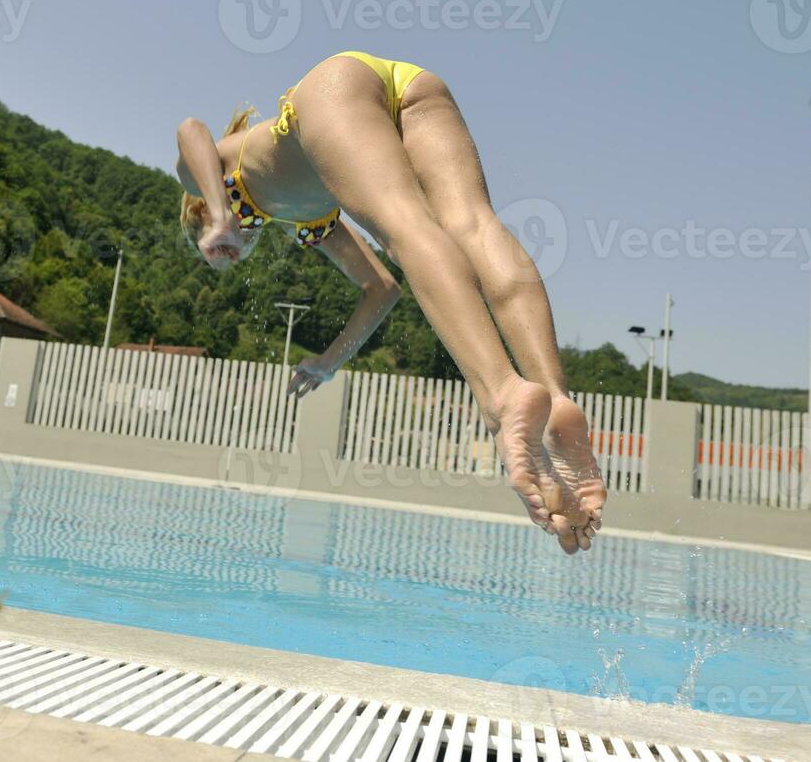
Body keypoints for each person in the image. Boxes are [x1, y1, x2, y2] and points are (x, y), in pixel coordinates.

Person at [176, 51, 605, 553]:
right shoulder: (310, 225)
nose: (235, 247)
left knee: (406, 225)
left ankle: (503, 398)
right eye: (232, 253)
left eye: (219, 244)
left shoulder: (210, 178)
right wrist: (327, 362)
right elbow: (381, 288)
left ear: (199, 210)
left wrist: (222, 212)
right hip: (410, 87)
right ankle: (553, 400)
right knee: (473, 225)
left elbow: (190, 130)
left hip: (331, 91)